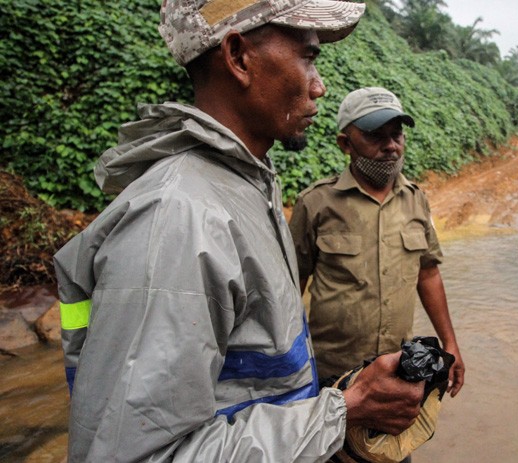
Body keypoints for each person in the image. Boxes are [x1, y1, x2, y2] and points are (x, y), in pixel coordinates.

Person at [53, 1, 427, 461]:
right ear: (238, 57)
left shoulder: (248, 189)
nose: (319, 86)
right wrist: (342, 411)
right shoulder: (178, 219)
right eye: (308, 57)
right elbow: (137, 454)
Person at [289, 87, 465, 397]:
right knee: (329, 444)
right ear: (346, 143)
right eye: (375, 136)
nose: (390, 147)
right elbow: (292, 286)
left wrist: (450, 343)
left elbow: (428, 273)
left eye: (397, 135)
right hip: (332, 375)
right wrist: (286, 362)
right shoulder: (316, 203)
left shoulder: (416, 202)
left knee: (393, 445)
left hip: (399, 369)